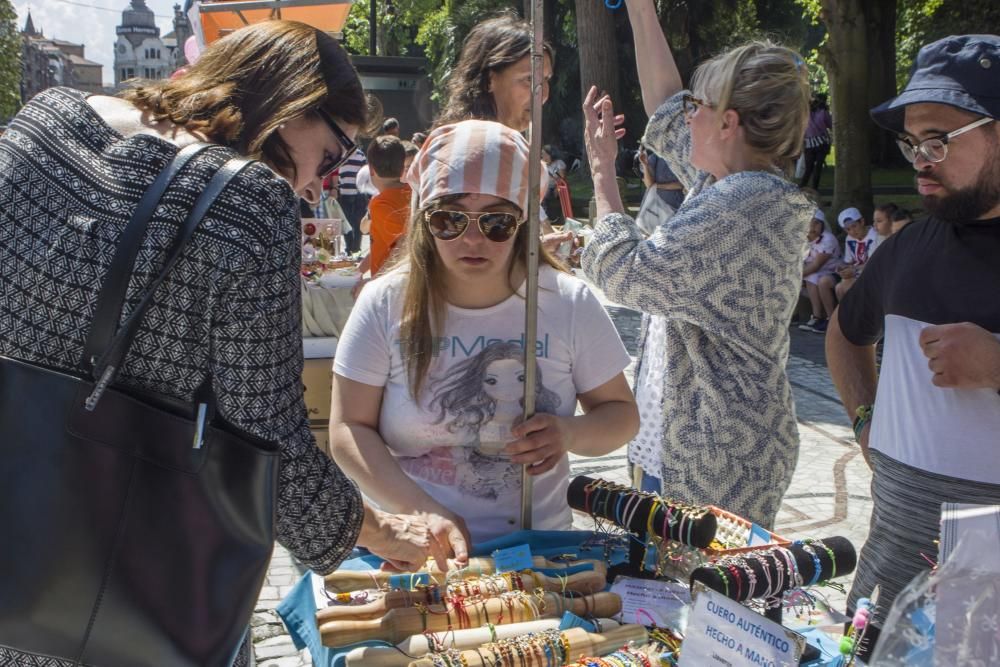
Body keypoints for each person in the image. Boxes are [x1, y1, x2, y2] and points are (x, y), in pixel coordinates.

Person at [0, 20, 465, 665]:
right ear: (292, 102)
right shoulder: (251, 203)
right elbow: (268, 448)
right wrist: (381, 530)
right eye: (330, 157)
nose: (319, 186)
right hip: (138, 585)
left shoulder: (41, 124)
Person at [328, 120, 639, 544]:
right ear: (423, 221)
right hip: (418, 546)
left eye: (496, 222)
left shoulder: (566, 302)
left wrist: (570, 434)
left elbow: (621, 415)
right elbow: (347, 428)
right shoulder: (385, 302)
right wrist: (424, 512)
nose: (472, 238)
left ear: (523, 223)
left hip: (538, 548)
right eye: (448, 220)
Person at [581, 0, 814, 529]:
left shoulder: (745, 206)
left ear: (728, 122)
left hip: (716, 456)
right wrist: (641, 11)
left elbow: (622, 272)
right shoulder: (727, 179)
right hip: (676, 438)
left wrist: (603, 179)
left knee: (703, 603)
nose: (687, 116)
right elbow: (664, 105)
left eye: (698, 107)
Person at [826, 34, 1000, 655]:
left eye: (939, 139)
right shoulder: (907, 249)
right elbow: (845, 338)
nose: (919, 159)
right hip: (884, 600)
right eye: (911, 141)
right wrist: (866, 417)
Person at [435, 14, 571, 248]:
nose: (543, 93)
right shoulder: (483, 151)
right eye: (529, 80)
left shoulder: (452, 141)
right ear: (490, 79)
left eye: (546, 80)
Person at [365, 134, 411, 277]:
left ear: (371, 169)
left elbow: (403, 248)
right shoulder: (414, 193)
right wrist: (359, 270)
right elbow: (383, 245)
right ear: (403, 168)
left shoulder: (380, 204)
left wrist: (375, 284)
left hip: (389, 284)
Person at [799, 210, 842, 333]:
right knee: (811, 277)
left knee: (814, 277)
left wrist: (796, 276)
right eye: (810, 223)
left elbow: (816, 265)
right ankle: (816, 317)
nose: (813, 227)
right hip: (818, 272)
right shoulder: (804, 238)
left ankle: (828, 318)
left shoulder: (828, 239)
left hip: (833, 270)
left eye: (817, 223)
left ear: (822, 225)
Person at [824, 206, 877, 303]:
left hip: (871, 273)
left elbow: (872, 264)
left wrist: (854, 270)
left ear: (862, 221)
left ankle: (851, 315)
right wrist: (842, 268)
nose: (852, 231)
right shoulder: (850, 238)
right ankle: (845, 316)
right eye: (848, 229)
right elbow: (849, 261)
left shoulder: (874, 236)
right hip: (857, 272)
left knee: (842, 287)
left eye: (854, 226)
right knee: (839, 287)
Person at [339, 144, 369, 253]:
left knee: (357, 222)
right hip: (344, 193)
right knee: (346, 222)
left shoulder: (360, 155)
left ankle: (356, 248)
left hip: (358, 193)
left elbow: (364, 174)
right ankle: (349, 247)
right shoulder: (341, 155)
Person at [799, 93, 832, 190]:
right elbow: (830, 125)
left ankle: (801, 188)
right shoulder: (823, 112)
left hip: (809, 143)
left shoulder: (805, 114)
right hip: (822, 142)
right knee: (818, 167)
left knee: (808, 169)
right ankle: (814, 189)